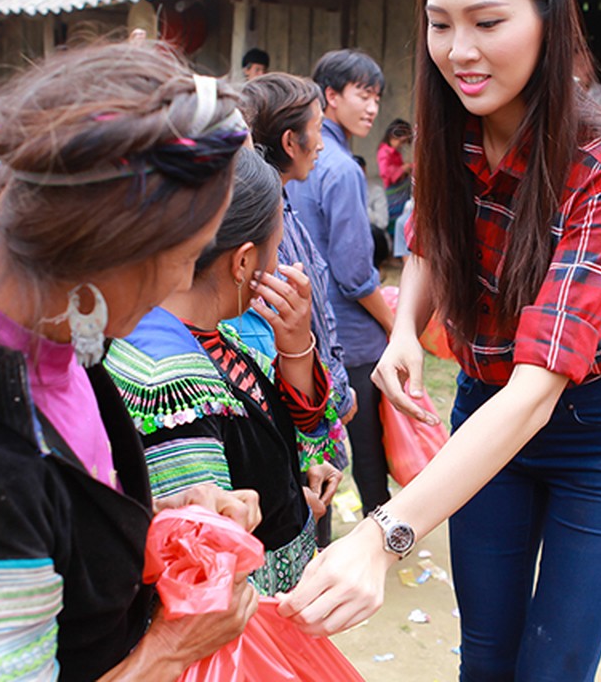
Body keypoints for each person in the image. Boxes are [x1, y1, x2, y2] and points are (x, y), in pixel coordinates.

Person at [279, 0, 601, 681]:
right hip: (484, 413)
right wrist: (405, 331)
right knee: (485, 659)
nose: (460, 51)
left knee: (552, 669)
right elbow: (431, 237)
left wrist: (383, 534)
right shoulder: (449, 126)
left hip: (597, 436)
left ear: (551, 19)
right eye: (440, 23)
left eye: (488, 22)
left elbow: (539, 389)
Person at [0, 43, 260, 679]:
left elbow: (54, 526)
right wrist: (173, 648)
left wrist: (150, 519)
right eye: (190, 254)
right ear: (116, 250)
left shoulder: (58, 338)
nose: (186, 281)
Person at [106, 148, 344, 595]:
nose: (278, 265)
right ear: (242, 262)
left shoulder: (200, 334)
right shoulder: (173, 381)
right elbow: (206, 566)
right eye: (276, 248)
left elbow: (266, 442)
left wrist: (296, 348)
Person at [237, 72, 357, 547]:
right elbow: (279, 344)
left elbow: (318, 323)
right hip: (298, 424)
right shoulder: (267, 231)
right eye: (318, 130)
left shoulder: (286, 209)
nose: (323, 145)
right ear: (290, 141)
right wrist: (325, 413)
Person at [287, 48, 395, 516]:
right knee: (366, 448)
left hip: (297, 332)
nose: (372, 107)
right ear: (330, 96)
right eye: (362, 95)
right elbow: (355, 274)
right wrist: (395, 323)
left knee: (312, 449)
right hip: (348, 335)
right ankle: (381, 526)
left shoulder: (293, 156)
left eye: (376, 98)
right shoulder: (343, 169)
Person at [376, 118, 414, 231]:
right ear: (393, 137)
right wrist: (403, 169)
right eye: (401, 142)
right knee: (396, 222)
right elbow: (386, 173)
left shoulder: (394, 152)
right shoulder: (384, 151)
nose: (401, 145)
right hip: (393, 193)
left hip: (399, 191)